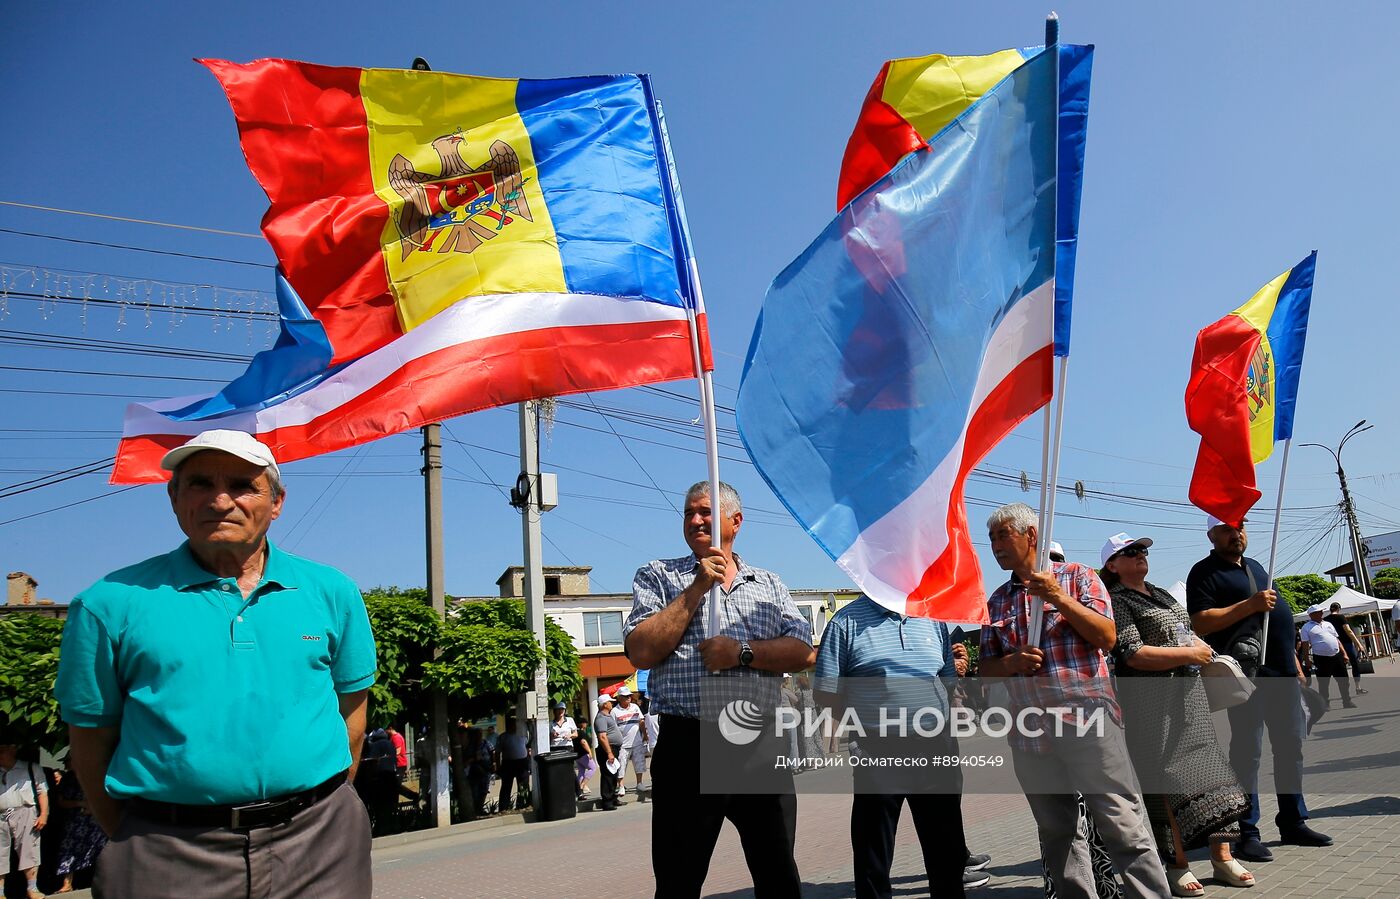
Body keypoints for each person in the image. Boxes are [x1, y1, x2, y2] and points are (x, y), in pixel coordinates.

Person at [52, 429, 376, 898]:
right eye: (200, 483)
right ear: (174, 498)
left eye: (243, 486)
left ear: (277, 502)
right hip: (168, 854)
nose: (221, 501)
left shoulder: (333, 592)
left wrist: (328, 804)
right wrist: (135, 834)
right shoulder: (107, 605)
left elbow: (352, 717)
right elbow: (90, 740)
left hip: (320, 842)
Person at [624, 480, 814, 898]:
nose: (695, 520)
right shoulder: (658, 575)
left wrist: (741, 653)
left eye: (705, 512)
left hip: (759, 744)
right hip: (689, 743)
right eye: (688, 513)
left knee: (778, 873)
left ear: (735, 521)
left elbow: (803, 652)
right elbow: (640, 651)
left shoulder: (768, 584)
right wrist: (696, 589)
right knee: (678, 878)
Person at [978, 503, 1170, 899]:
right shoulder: (996, 601)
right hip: (1030, 734)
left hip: (1088, 721)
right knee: (1057, 833)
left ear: (1031, 535)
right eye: (991, 537)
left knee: (1122, 823)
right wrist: (1011, 662)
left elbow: (1107, 637)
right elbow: (986, 670)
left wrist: (1056, 597)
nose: (995, 545)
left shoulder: (1078, 577)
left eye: (1003, 535)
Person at [1100, 532, 1254, 896]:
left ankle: (1222, 856)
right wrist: (1189, 654)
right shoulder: (1116, 600)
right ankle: (1177, 864)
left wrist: (1200, 648)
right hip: (1151, 705)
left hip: (1190, 697)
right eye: (1130, 552)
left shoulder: (1160, 593)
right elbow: (1132, 654)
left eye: (1142, 549)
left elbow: (1186, 631)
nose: (1140, 554)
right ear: (1112, 565)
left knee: (1213, 774)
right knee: (1164, 783)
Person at [814, 594, 992, 898]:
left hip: (936, 749)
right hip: (877, 752)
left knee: (946, 852)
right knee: (873, 856)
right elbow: (827, 692)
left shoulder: (932, 618)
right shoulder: (844, 623)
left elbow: (947, 681)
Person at [1186, 515, 1332, 862]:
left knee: (1290, 748)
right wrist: (1249, 605)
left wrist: (1296, 666)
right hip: (1246, 677)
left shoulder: (1256, 567)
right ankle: (1246, 832)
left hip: (1282, 673)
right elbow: (1200, 621)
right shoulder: (1204, 572)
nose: (1236, 533)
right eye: (1227, 528)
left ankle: (1293, 821)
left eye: (1240, 526)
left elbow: (1276, 619)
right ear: (1212, 534)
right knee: (1247, 753)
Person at [1, 741, 49, 899]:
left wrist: (43, 814)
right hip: (1, 814)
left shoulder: (31, 768)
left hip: (25, 810)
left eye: (2, 750)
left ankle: (32, 888)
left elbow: (42, 792)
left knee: (29, 850)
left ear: (12, 750)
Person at [52, 770, 107, 894]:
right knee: (68, 850)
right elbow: (61, 801)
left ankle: (103, 881)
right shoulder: (69, 778)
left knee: (100, 850)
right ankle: (67, 883)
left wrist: (94, 807)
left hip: (97, 820)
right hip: (75, 820)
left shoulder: (100, 774)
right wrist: (82, 804)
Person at [1300, 605, 1355, 708]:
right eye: (1318, 612)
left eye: (1321, 611)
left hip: (1336, 655)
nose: (1321, 613)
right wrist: (1306, 659)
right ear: (1311, 615)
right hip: (1321, 658)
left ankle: (1347, 701)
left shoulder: (1328, 624)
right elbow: (1305, 645)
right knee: (1323, 682)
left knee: (1344, 680)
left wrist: (1344, 653)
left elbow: (1336, 639)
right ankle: (1325, 703)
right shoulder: (1306, 627)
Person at [1323, 601, 1369, 694]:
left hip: (1334, 645)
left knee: (1341, 667)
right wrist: (1359, 644)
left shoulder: (1325, 620)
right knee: (1354, 663)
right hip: (1346, 644)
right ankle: (1358, 687)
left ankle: (1344, 690)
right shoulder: (1341, 617)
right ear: (1338, 609)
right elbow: (1349, 631)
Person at [611, 687, 649, 799]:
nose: (628, 698)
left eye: (629, 695)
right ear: (619, 698)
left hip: (637, 741)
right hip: (622, 744)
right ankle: (621, 785)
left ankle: (639, 783)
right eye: (625, 696)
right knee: (621, 765)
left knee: (639, 763)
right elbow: (613, 728)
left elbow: (641, 721)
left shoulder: (635, 707)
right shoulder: (614, 711)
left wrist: (645, 735)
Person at [593, 695, 623, 811]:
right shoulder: (601, 718)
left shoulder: (608, 715)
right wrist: (609, 752)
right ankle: (607, 801)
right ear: (605, 704)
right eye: (610, 702)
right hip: (607, 749)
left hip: (613, 748)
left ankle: (613, 798)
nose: (612, 703)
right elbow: (602, 736)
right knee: (608, 776)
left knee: (613, 774)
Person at [495, 719, 531, 812]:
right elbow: (497, 752)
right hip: (508, 763)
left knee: (523, 784)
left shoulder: (522, 735)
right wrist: (498, 766)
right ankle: (504, 807)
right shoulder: (503, 737)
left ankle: (522, 804)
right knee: (506, 786)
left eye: (515, 725)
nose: (514, 727)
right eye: (511, 725)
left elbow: (527, 746)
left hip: (522, 762)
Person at [572, 714, 596, 801]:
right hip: (583, 754)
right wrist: (589, 751)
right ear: (582, 724)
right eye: (585, 723)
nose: (586, 724)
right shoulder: (581, 732)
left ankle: (577, 790)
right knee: (593, 768)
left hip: (577, 756)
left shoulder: (575, 732)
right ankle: (582, 786)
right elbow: (583, 742)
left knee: (581, 771)